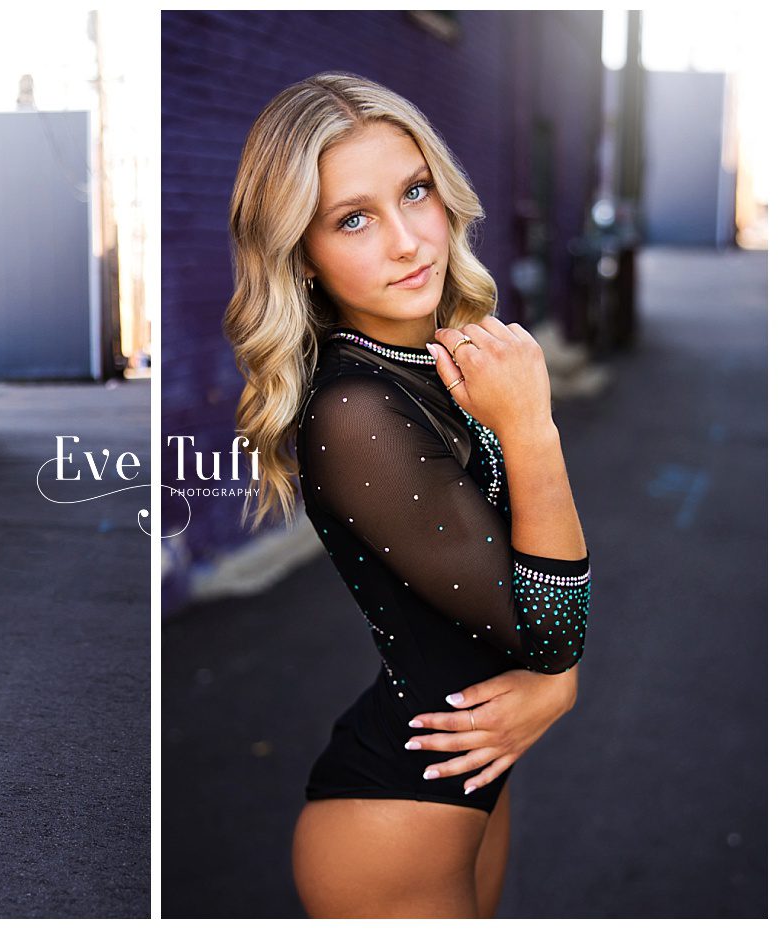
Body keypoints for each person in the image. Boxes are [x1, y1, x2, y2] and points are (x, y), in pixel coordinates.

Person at [222, 73, 592, 916]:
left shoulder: (442, 362)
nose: (407, 239)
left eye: (414, 191)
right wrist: (532, 432)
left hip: (471, 771)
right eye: (353, 218)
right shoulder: (356, 412)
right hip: (391, 814)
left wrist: (555, 672)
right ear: (300, 256)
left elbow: (534, 578)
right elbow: (553, 626)